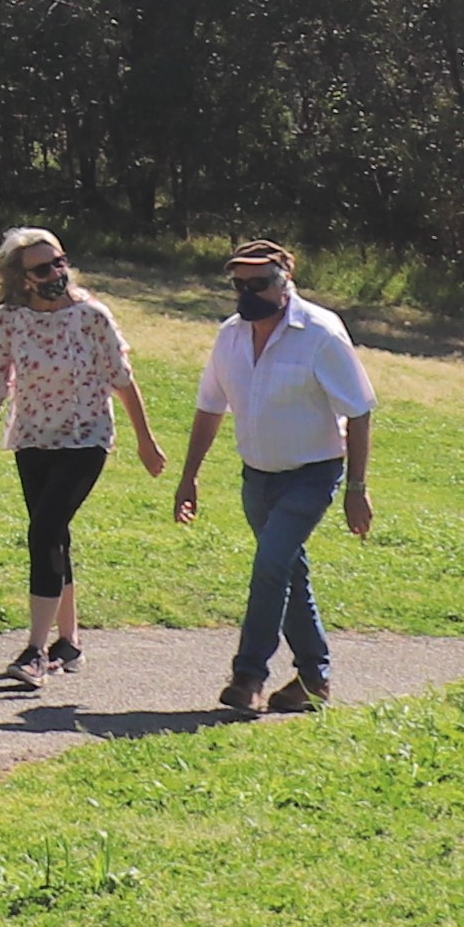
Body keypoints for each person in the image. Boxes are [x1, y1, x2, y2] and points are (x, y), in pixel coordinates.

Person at [0, 225, 164, 683]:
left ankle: (34, 651)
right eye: (43, 268)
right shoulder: (10, 320)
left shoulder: (92, 317)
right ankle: (68, 642)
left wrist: (146, 441)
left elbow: (122, 379)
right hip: (32, 440)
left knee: (44, 529)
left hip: (86, 439)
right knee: (54, 533)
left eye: (59, 261)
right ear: (21, 277)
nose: (56, 273)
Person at [172, 240, 377, 714]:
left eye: (259, 284)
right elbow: (210, 406)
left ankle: (248, 676)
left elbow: (360, 411)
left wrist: (357, 490)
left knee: (271, 564)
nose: (248, 294)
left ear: (286, 283)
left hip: (312, 474)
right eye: (239, 285)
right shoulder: (229, 336)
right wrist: (189, 477)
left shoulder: (321, 334)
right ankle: (313, 678)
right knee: (286, 570)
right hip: (257, 477)